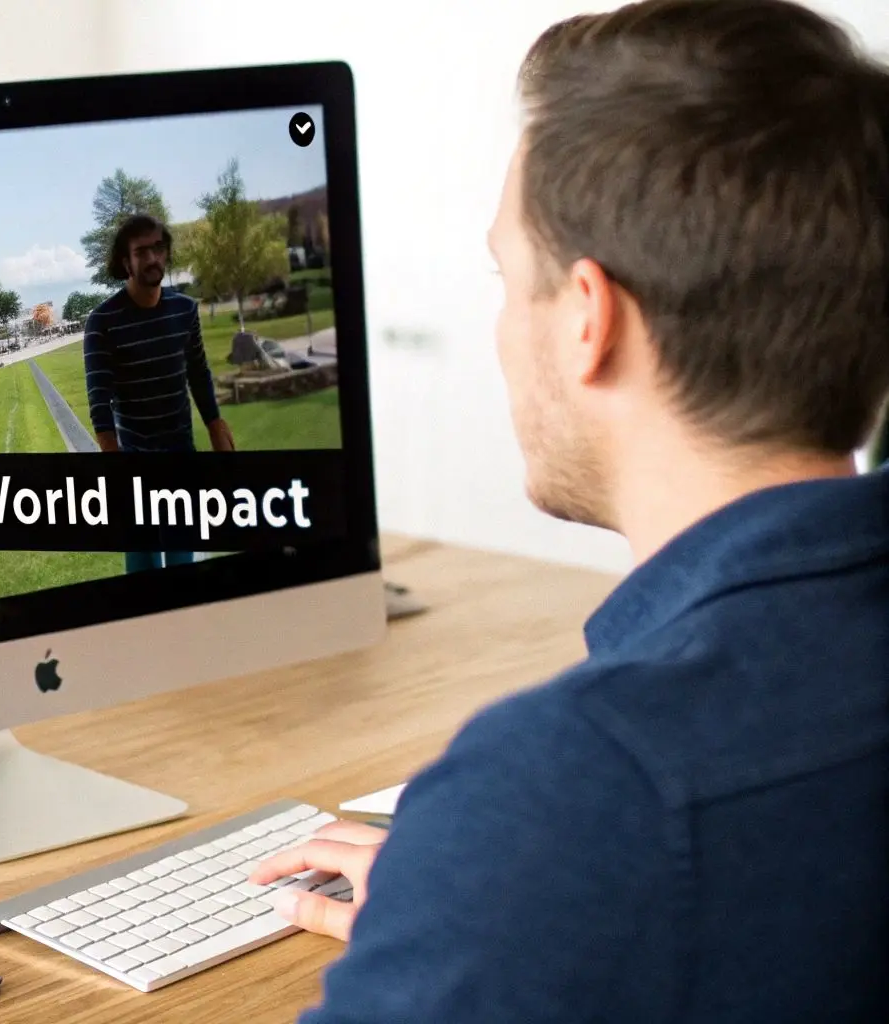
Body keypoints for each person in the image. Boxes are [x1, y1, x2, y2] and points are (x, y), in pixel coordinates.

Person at [251, 2, 889, 1021]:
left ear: (588, 318)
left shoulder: (571, 789)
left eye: (509, 279)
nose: (504, 330)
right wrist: (477, 915)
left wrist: (501, 875)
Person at [84, 213, 236, 573]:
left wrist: (215, 424)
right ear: (126, 262)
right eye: (141, 251)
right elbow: (99, 399)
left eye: (158, 248)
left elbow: (198, 373)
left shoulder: (184, 311)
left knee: (182, 558)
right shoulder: (103, 322)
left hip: (182, 458)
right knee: (143, 567)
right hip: (135, 461)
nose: (152, 258)